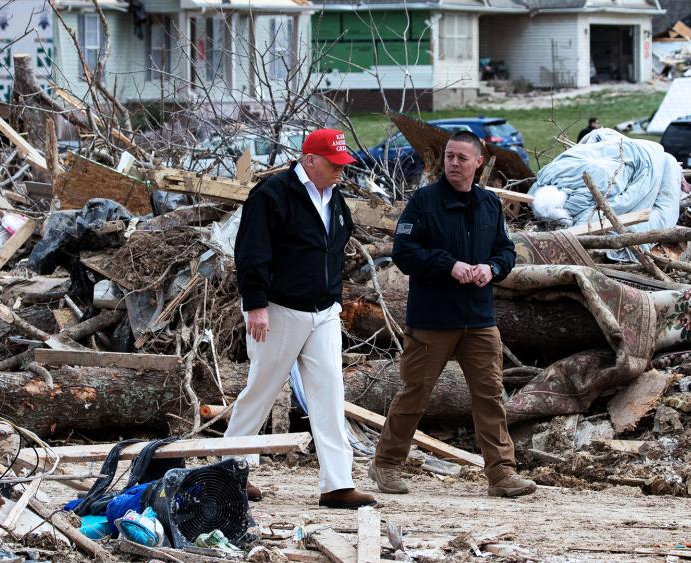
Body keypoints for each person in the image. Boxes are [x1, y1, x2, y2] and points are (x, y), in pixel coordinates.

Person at [368, 131, 536, 498]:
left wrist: (492, 268)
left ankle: (502, 474)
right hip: (432, 319)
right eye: (449, 157)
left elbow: (507, 252)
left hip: (478, 318)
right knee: (415, 394)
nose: (454, 164)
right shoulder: (425, 202)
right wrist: (449, 266)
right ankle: (386, 465)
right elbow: (405, 253)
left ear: (479, 163)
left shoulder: (489, 204)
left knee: (490, 395)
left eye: (462, 158)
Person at [230, 128, 376, 510]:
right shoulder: (272, 195)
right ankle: (230, 471)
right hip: (279, 309)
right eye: (334, 164)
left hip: (324, 310)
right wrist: (256, 304)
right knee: (261, 389)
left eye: (344, 165)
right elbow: (251, 251)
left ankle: (337, 483)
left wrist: (336, 300)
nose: (341, 171)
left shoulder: (335, 199)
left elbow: (334, 252)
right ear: (310, 160)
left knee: (329, 393)